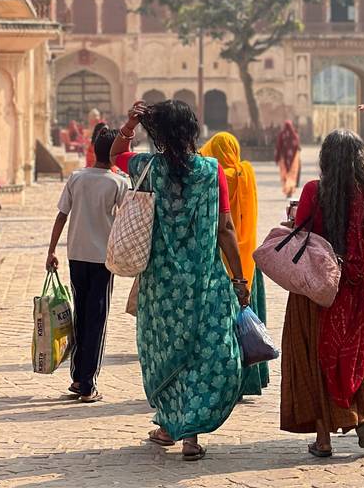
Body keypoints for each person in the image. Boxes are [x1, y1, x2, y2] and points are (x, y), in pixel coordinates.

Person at [110, 100, 250, 462]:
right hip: (205, 282)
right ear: (192, 130)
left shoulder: (146, 167)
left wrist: (130, 124)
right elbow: (226, 228)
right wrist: (239, 277)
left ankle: (170, 425)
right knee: (203, 355)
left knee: (165, 353)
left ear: (157, 134)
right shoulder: (212, 170)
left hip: (160, 287)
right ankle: (190, 435)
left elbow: (116, 154)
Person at [280, 104, 364, 458]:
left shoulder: (315, 190)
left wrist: (291, 218)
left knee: (320, 355)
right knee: (358, 350)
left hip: (322, 288)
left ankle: (324, 438)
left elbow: (304, 230)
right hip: (360, 287)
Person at [46, 126, 128, 403]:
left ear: (93, 148)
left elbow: (61, 216)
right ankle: (87, 384)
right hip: (102, 259)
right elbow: (127, 218)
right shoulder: (117, 183)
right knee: (97, 319)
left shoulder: (77, 178)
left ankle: (78, 377)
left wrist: (51, 250)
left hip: (76, 256)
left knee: (81, 315)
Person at [200, 131, 270, 396]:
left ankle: (225, 380)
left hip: (221, 257)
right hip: (248, 261)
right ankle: (252, 378)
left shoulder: (213, 176)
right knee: (248, 321)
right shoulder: (246, 173)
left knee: (222, 325)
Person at [275, 120, 302, 197]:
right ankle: (290, 190)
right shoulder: (294, 135)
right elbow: (298, 147)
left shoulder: (282, 135)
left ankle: (287, 191)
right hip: (293, 160)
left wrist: (277, 158)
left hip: (283, 159)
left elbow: (278, 147)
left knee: (285, 175)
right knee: (292, 175)